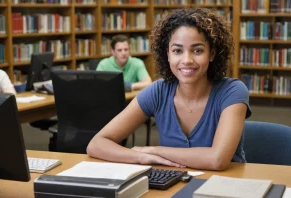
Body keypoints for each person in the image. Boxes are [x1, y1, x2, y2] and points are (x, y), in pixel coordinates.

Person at [87, 8, 251, 171]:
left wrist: (154, 150)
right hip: (172, 186)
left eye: (198, 50)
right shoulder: (158, 91)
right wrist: (141, 157)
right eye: (177, 51)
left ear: (212, 54)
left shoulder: (232, 91)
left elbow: (217, 160)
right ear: (168, 54)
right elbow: (96, 144)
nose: (187, 60)